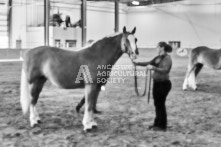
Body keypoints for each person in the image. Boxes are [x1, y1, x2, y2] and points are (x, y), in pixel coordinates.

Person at [133, 42, 172, 131]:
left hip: (163, 84)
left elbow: (165, 70)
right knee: (157, 104)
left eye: (157, 47)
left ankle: (162, 126)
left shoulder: (167, 58)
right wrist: (137, 63)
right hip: (157, 83)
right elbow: (149, 63)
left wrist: (153, 68)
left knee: (160, 105)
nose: (156, 48)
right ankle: (157, 124)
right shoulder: (158, 58)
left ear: (162, 47)